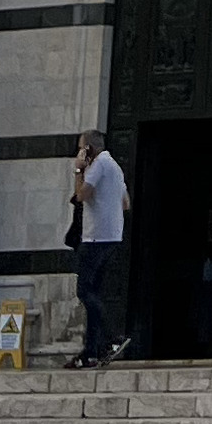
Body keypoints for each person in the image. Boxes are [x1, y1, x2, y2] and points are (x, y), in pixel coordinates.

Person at [68, 129, 125, 367]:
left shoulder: (99, 165)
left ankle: (112, 337)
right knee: (94, 293)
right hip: (112, 237)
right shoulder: (115, 167)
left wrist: (79, 169)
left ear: (88, 148)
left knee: (84, 292)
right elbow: (126, 202)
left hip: (95, 239)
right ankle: (91, 351)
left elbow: (81, 195)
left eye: (81, 148)